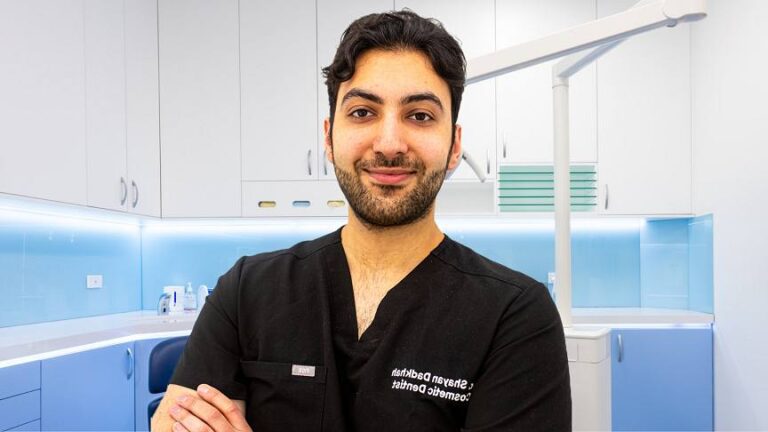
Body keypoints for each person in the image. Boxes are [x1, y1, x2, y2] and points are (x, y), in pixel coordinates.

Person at [152, 10, 571, 432]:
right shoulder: (246, 292)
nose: (389, 144)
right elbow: (172, 423)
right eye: (362, 112)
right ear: (329, 137)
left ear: (454, 144)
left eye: (420, 115)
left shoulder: (515, 316)